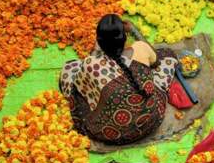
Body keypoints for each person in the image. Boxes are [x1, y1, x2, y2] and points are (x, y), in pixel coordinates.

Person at [59, 14, 177, 144]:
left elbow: (80, 85)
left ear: (98, 41)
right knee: (167, 56)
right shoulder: (140, 48)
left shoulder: (92, 64)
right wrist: (133, 30)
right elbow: (156, 63)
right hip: (151, 121)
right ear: (125, 37)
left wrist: (97, 50)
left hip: (112, 134)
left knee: (69, 69)